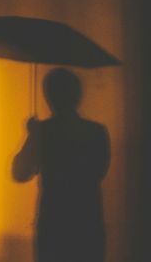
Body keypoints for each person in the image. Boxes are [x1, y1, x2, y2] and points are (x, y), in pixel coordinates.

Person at [12, 68, 110, 262]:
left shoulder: (43, 132)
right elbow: (99, 171)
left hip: (53, 223)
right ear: (78, 95)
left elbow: (19, 173)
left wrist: (32, 136)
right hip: (88, 222)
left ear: (49, 97)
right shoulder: (97, 132)